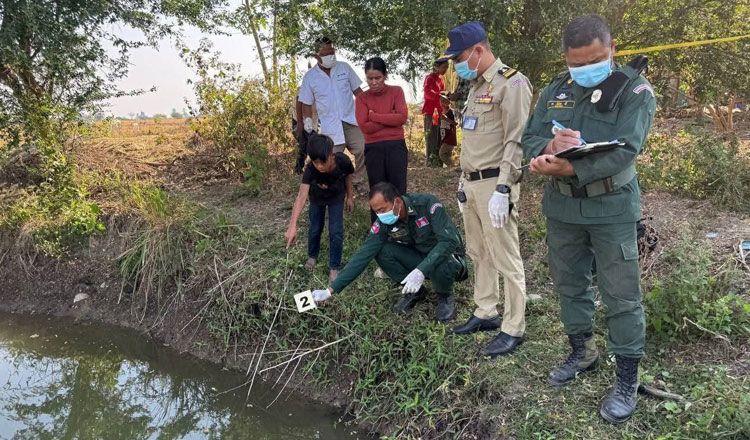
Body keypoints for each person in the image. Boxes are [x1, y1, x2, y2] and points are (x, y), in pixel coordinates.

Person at [521, 15, 656, 424]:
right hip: (562, 208)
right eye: (577, 63)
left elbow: (625, 151)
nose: (586, 69)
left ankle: (627, 378)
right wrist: (549, 147)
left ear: (611, 49)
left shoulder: (634, 90)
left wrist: (572, 167)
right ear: (566, 58)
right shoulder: (556, 90)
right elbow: (529, 137)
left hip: (611, 208)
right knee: (569, 283)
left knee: (621, 294)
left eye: (595, 60)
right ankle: (582, 352)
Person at [443, 21, 530, 358]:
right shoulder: (477, 86)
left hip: (496, 184)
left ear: (478, 50)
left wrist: (504, 188)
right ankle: (486, 310)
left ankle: (513, 326)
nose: (456, 65)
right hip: (472, 182)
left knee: (506, 257)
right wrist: (463, 181)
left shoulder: (512, 83)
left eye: (459, 58)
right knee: (479, 251)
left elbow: (515, 141)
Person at [311, 182, 467, 322]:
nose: (380, 215)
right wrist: (330, 290)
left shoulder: (427, 204)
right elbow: (363, 254)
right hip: (420, 257)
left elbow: (448, 242)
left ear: (397, 202)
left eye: (382, 209)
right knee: (382, 250)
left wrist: (421, 270)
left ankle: (445, 296)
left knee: (440, 255)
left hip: (449, 260)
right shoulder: (383, 222)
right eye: (376, 212)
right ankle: (415, 292)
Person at [299, 36, 367, 194]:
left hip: (351, 120)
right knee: (331, 159)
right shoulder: (310, 77)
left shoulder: (344, 68)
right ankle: (337, 186)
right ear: (316, 56)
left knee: (364, 148)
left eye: (332, 52)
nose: (330, 56)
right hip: (330, 126)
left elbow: (358, 92)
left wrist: (368, 110)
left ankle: (359, 181)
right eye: (325, 53)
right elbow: (306, 103)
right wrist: (307, 121)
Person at [285, 134, 355, 282]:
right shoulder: (310, 169)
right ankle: (312, 255)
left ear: (331, 155)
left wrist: (350, 196)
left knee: (336, 231)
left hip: (336, 197)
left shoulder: (343, 161)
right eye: (316, 162)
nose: (320, 166)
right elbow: (301, 196)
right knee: (315, 227)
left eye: (323, 162)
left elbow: (348, 176)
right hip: (317, 198)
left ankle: (334, 266)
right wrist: (292, 225)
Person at [355, 56, 409, 223]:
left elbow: (401, 118)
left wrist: (374, 116)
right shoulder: (362, 98)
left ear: (385, 75)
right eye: (370, 78)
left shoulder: (396, 91)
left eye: (377, 78)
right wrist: (390, 117)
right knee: (377, 191)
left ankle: (402, 226)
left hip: (396, 147)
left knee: (398, 189)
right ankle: (378, 228)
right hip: (374, 149)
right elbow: (365, 127)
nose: (374, 82)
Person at [422, 58, 448, 166]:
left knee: (439, 137)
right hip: (430, 113)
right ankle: (431, 162)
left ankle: (438, 162)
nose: (445, 70)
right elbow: (427, 93)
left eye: (447, 67)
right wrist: (439, 96)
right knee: (431, 137)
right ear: (436, 67)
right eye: (444, 67)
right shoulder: (429, 78)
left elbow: (443, 94)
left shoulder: (440, 79)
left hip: (440, 112)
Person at [438, 92, 458, 167]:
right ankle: (451, 168)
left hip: (450, 137)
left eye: (444, 101)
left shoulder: (451, 112)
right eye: (441, 101)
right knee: (447, 155)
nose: (442, 103)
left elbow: (455, 123)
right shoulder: (441, 112)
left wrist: (446, 119)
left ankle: (452, 166)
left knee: (442, 154)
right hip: (444, 136)